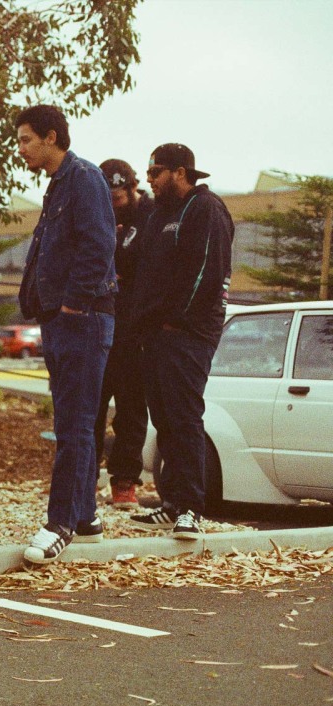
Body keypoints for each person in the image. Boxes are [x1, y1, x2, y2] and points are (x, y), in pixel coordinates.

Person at [14, 105, 117, 565]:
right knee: (75, 421)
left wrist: (75, 302)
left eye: (26, 140)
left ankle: (60, 525)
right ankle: (86, 517)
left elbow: (100, 244)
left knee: (73, 426)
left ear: (51, 137)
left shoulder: (84, 178)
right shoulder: (58, 185)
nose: (21, 149)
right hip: (63, 319)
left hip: (84, 318)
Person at [128, 144, 233, 539]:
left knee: (185, 418)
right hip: (155, 334)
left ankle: (191, 507)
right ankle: (171, 503)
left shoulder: (206, 209)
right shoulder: (159, 214)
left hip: (188, 336)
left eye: (156, 172)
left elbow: (208, 271)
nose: (150, 180)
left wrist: (175, 322)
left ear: (180, 172)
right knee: (165, 420)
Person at [94, 159, 154, 509]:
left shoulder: (151, 216)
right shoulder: (94, 213)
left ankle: (125, 483)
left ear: (132, 189)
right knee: (91, 409)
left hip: (133, 331)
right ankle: (83, 480)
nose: (114, 203)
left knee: (132, 410)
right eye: (109, 197)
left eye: (119, 197)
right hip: (98, 326)